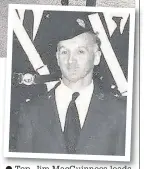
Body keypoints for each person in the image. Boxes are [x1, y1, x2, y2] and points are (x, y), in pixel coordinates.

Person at [15, 12, 126, 155]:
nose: (70, 60)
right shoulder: (31, 112)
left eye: (80, 52)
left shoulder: (119, 112)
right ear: (56, 58)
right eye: (64, 52)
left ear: (97, 57)